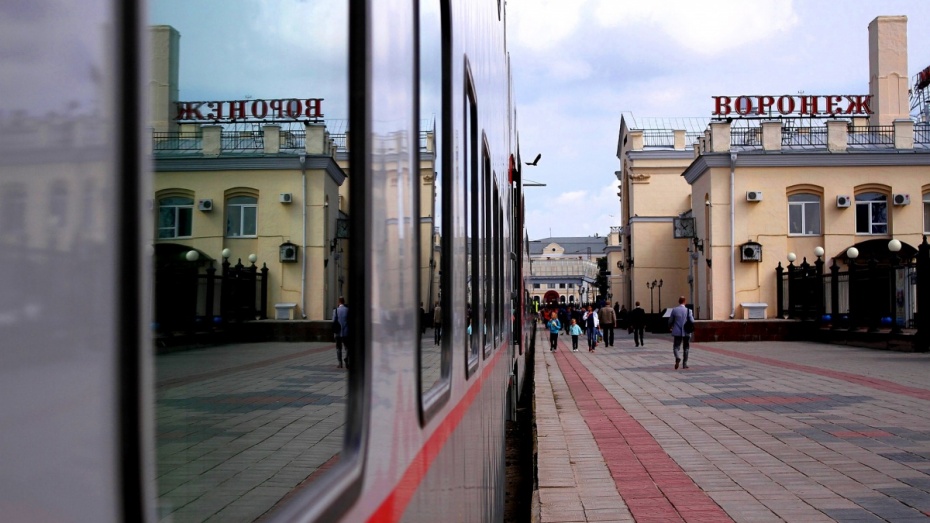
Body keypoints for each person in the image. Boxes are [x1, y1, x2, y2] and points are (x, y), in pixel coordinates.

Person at [668, 296, 694, 369]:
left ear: (679, 301)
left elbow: (670, 321)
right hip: (686, 331)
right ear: (685, 302)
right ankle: (685, 364)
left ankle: (677, 357)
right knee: (686, 348)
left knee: (676, 347)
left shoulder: (674, 310)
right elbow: (692, 321)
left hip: (677, 331)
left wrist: (670, 327)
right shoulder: (689, 310)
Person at [333, 296, 349, 368]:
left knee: (338, 347)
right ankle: (346, 359)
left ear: (339, 302)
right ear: (344, 302)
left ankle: (340, 363)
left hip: (338, 332)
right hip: (346, 332)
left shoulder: (335, 310)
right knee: (347, 347)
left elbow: (334, 321)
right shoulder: (347, 310)